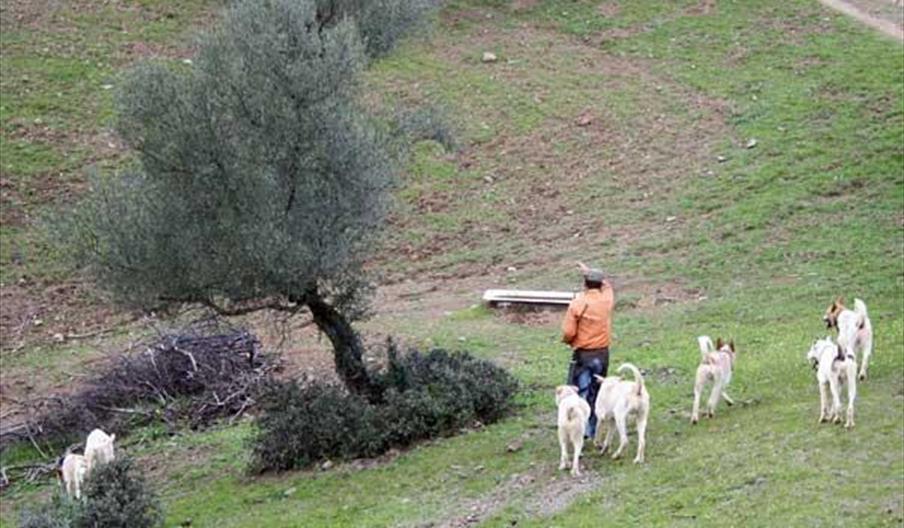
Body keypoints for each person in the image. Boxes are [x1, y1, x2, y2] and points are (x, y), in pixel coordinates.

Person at [561, 262, 615, 439]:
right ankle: (593, 429)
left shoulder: (579, 302)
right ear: (600, 284)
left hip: (584, 354)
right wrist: (590, 272)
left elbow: (568, 332)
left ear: (584, 284)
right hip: (602, 353)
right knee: (596, 391)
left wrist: (569, 341)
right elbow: (607, 286)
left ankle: (581, 429)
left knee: (580, 391)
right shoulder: (607, 299)